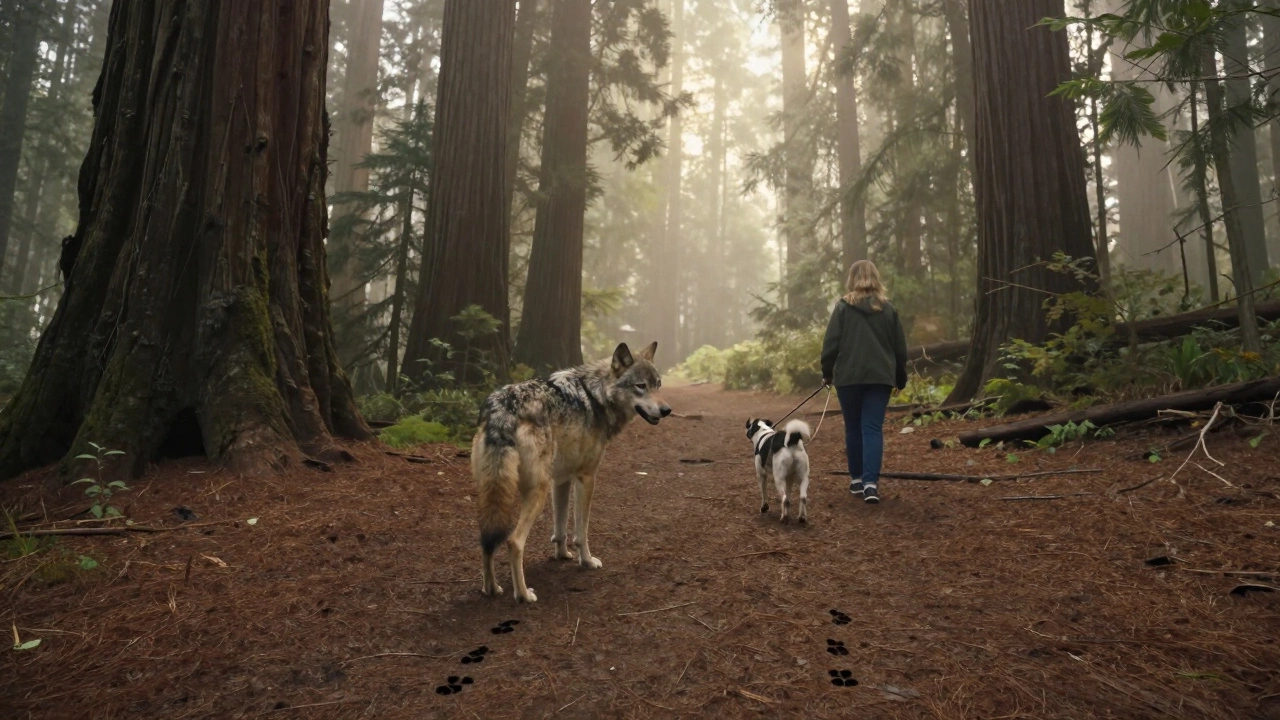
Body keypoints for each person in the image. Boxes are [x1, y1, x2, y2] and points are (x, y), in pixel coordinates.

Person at [820, 260, 908, 505]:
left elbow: (831, 345)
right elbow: (899, 349)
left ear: (851, 279)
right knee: (871, 428)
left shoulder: (842, 308)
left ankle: (856, 479)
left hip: (849, 377)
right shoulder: (888, 310)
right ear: (876, 278)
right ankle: (871, 484)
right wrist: (900, 378)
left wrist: (827, 373)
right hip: (879, 378)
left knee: (853, 428)